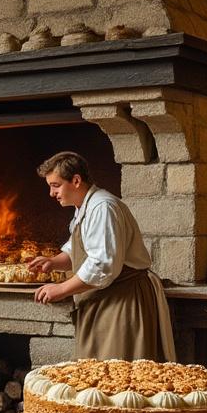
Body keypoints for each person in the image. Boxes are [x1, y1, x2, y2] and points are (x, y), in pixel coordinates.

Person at [28, 151, 175, 361]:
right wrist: (52, 263)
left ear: (76, 180)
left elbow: (101, 266)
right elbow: (77, 250)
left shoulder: (103, 208)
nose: (52, 193)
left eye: (56, 185)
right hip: (104, 298)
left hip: (123, 300)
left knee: (120, 375)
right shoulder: (85, 207)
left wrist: (61, 289)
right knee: (99, 373)